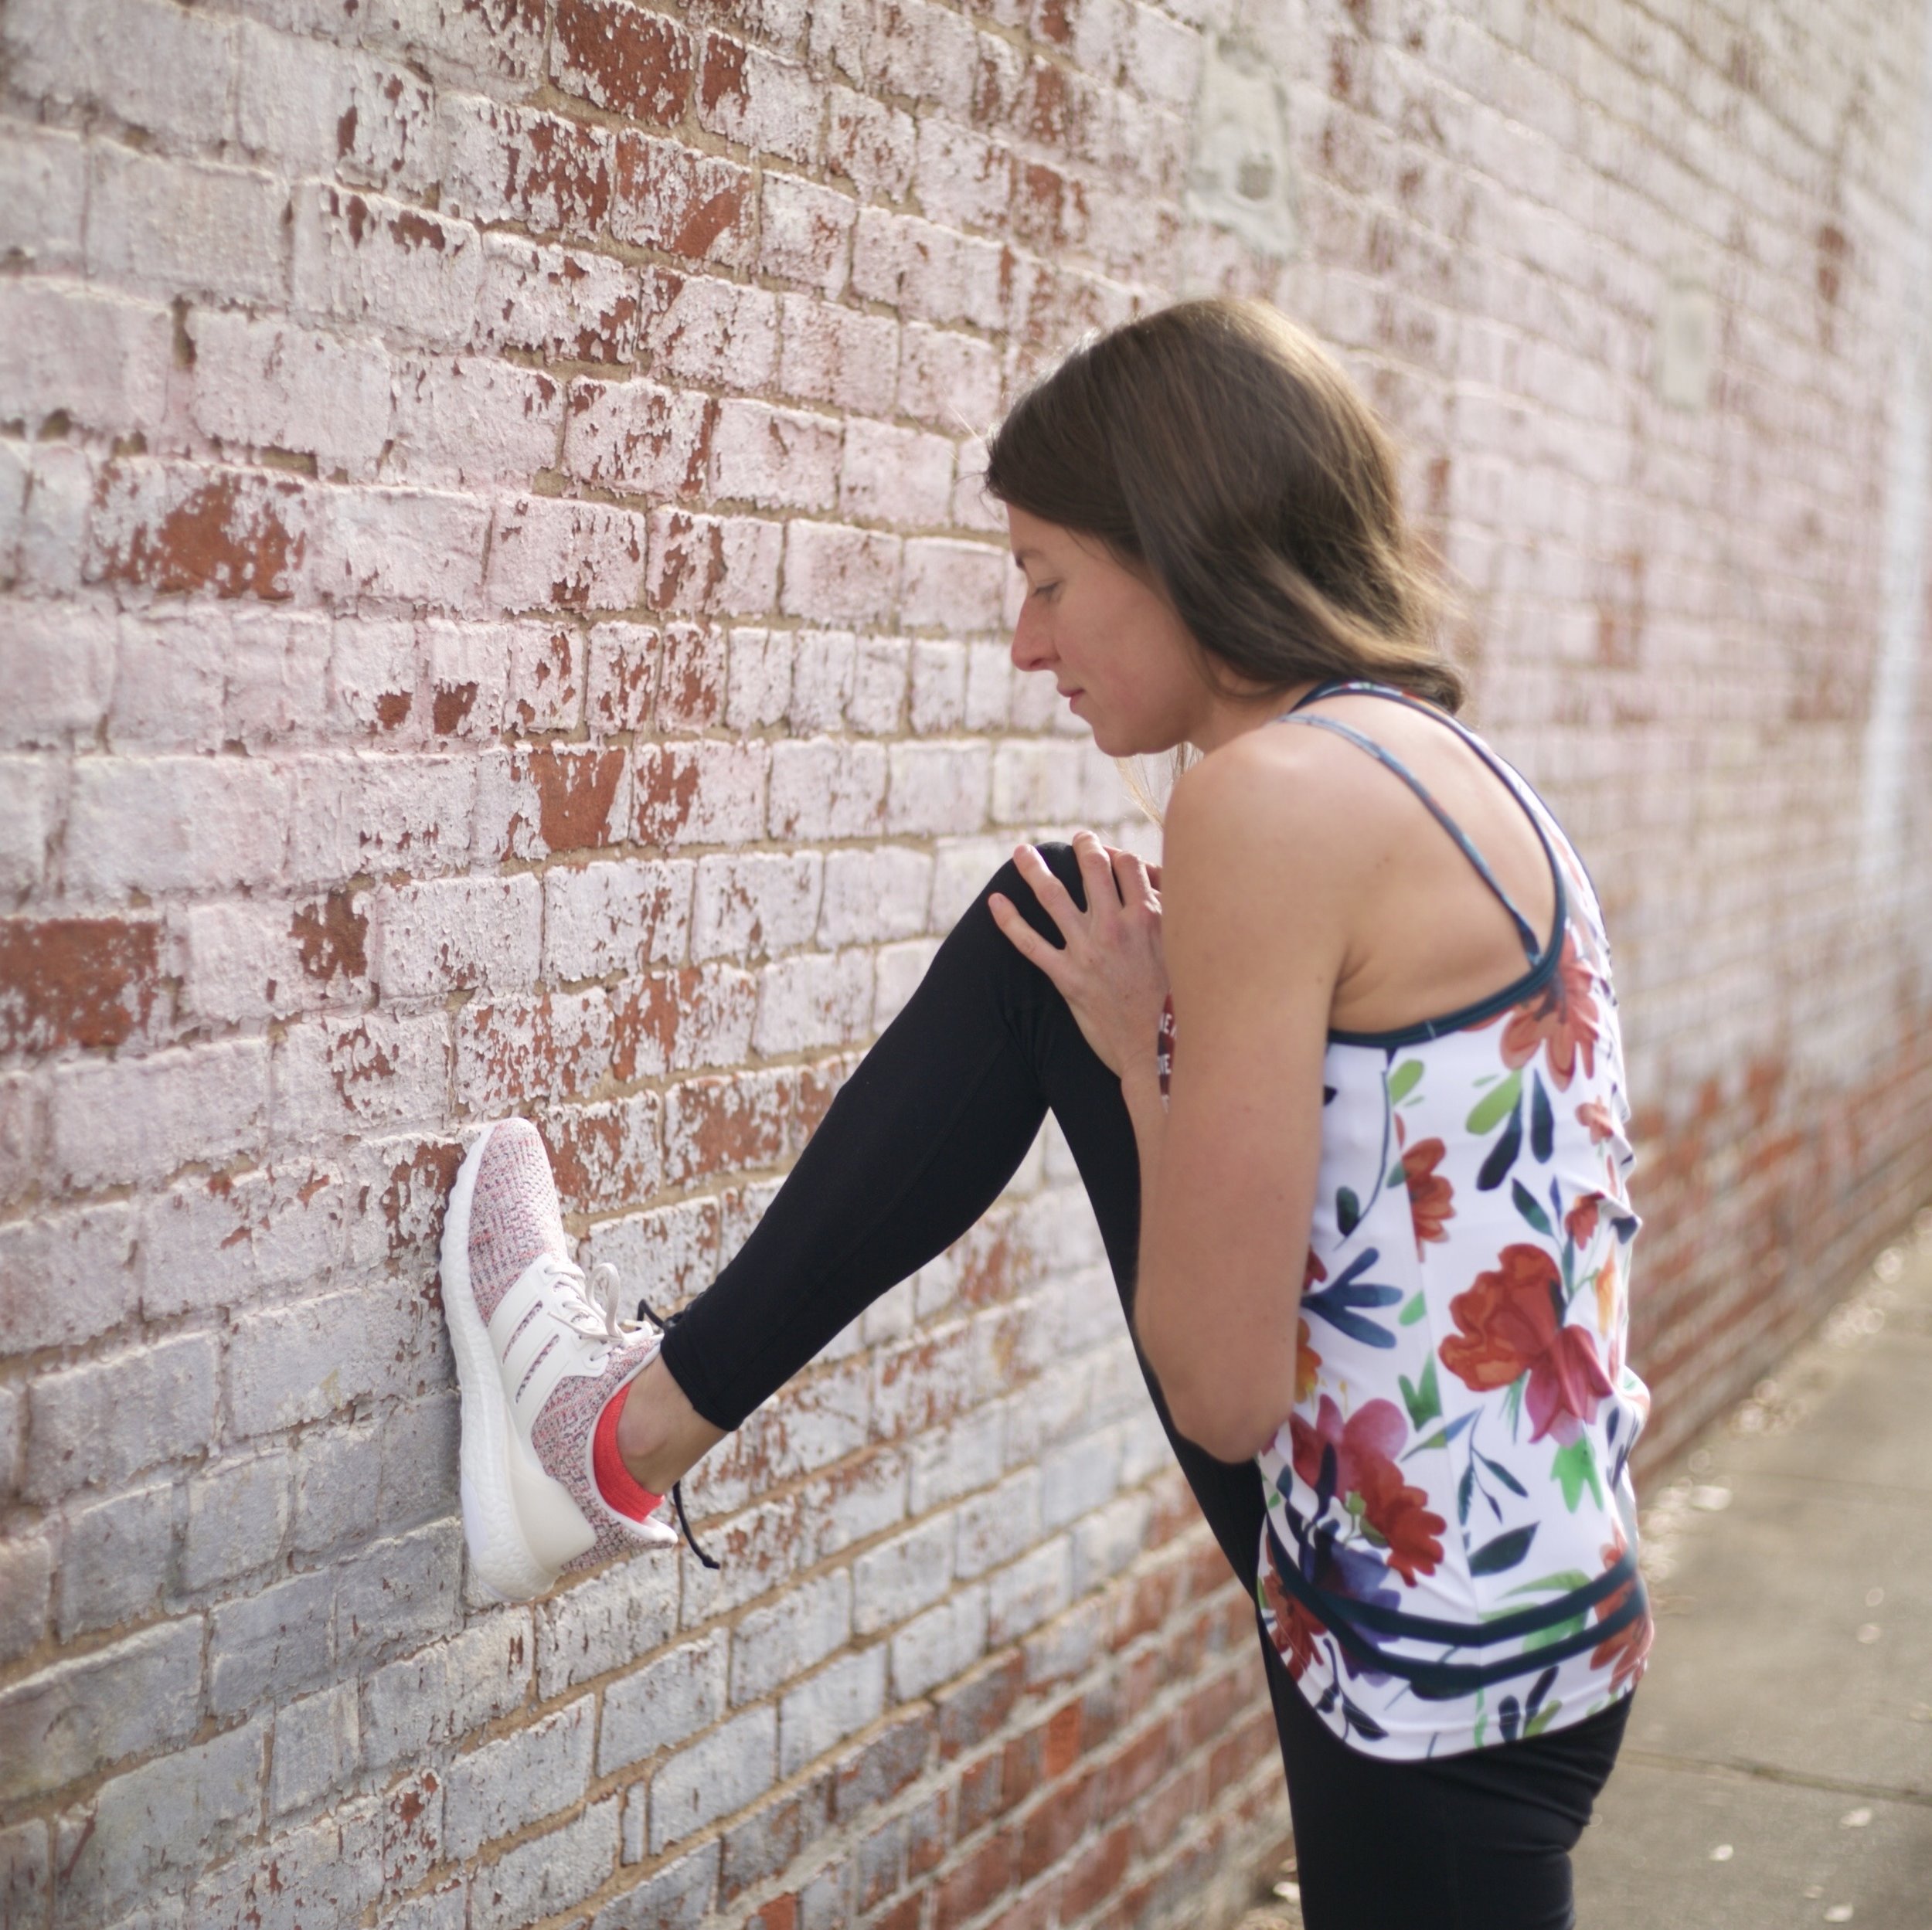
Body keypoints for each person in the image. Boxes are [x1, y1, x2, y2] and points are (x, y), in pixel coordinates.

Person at [438, 297, 1653, 1929]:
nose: (1025, 643)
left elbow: (1221, 1390)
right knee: (1045, 937)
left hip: (1418, 1640)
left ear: (1173, 548)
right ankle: (612, 1436)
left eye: (1044, 576)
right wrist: (1136, 1031)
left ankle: (607, 1440)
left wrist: (1147, 1050)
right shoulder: (1432, 761)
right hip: (1522, 1586)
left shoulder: (1266, 801)